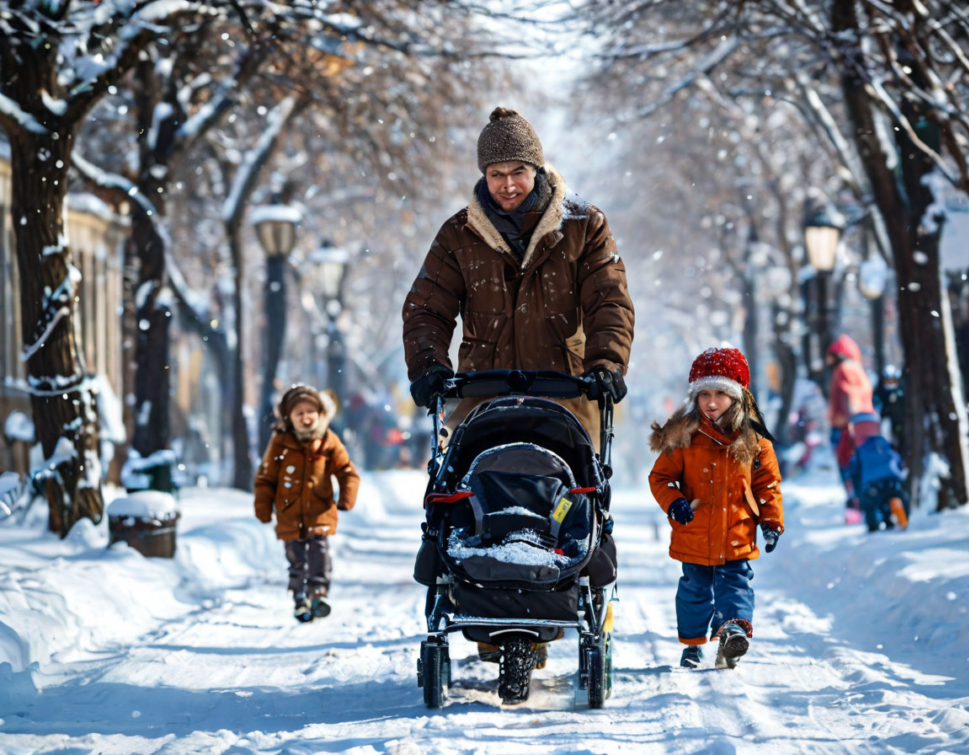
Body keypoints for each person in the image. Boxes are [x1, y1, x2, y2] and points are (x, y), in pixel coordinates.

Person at [401, 106, 635, 444]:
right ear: (484, 175)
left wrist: (606, 364)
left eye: (518, 171)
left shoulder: (584, 226)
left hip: (568, 395)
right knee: (460, 489)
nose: (508, 185)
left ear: (536, 170)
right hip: (483, 397)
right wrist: (429, 365)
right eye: (497, 174)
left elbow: (609, 301)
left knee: (574, 491)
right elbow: (427, 307)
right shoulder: (458, 234)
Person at [648, 347, 784, 670]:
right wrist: (675, 502)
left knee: (735, 586)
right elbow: (660, 478)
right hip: (694, 531)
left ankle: (731, 633)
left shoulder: (755, 440)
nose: (711, 402)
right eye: (704, 394)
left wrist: (771, 521)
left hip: (737, 532)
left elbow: (768, 484)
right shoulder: (684, 437)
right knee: (694, 591)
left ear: (738, 396)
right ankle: (693, 645)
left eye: (720, 393)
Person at [254, 385, 360, 623]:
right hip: (289, 513)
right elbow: (266, 477)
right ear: (289, 417)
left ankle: (319, 592)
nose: (305, 417)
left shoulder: (327, 440)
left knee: (319, 551)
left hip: (320, 510)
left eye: (310, 411)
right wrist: (263, 507)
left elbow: (347, 471)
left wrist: (346, 497)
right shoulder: (281, 441)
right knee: (296, 556)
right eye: (299, 413)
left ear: (320, 412)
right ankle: (300, 596)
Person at [826, 334, 875, 520]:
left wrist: (850, 421)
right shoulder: (858, 369)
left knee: (848, 468)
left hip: (846, 427)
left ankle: (856, 508)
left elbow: (849, 395)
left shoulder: (843, 369)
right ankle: (862, 504)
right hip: (863, 425)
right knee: (859, 467)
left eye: (831, 355)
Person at [847, 412, 909, 532]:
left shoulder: (860, 450)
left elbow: (855, 470)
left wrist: (858, 493)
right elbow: (895, 458)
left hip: (872, 483)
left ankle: (873, 526)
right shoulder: (883, 443)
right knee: (891, 497)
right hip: (892, 478)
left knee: (870, 502)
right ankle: (897, 520)